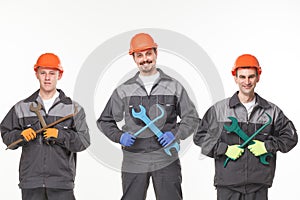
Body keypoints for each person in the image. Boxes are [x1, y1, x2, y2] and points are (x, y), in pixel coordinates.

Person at [97, 33, 200, 200]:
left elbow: (192, 118)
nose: (145, 59)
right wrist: (119, 136)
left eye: (148, 53)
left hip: (166, 157)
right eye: (139, 55)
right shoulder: (124, 89)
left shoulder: (174, 86)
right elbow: (104, 120)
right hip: (134, 158)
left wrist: (175, 134)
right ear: (134, 59)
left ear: (155, 53)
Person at [193, 54, 298, 200]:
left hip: (258, 186)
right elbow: (199, 136)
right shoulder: (219, 110)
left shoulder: (271, 111)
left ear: (258, 77)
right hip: (227, 186)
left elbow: (291, 137)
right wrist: (225, 149)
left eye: (251, 77)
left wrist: (268, 147)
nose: (247, 82)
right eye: (242, 77)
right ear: (235, 78)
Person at [1, 53, 90, 200]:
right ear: (37, 74)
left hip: (61, 183)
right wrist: (21, 135)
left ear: (59, 75)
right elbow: (7, 137)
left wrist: (59, 135)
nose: (47, 78)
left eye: (52, 73)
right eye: (43, 73)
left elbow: (84, 141)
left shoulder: (73, 109)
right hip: (31, 182)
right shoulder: (22, 107)